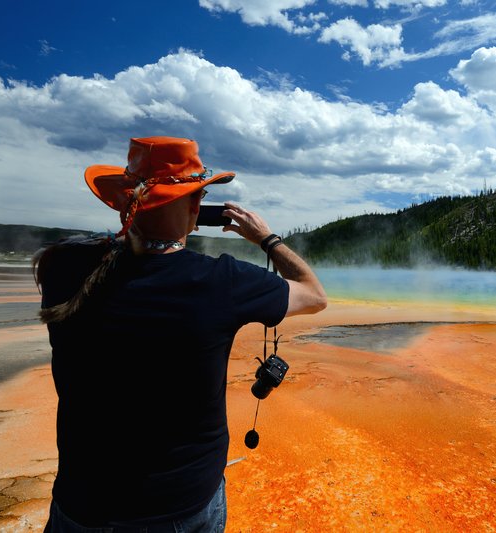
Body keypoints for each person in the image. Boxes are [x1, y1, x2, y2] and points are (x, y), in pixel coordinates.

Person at [35, 136, 327, 532]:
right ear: (194, 205)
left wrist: (152, 227)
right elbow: (313, 294)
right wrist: (266, 239)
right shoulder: (221, 282)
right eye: (198, 195)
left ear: (124, 200)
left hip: (81, 503)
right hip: (180, 506)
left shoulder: (62, 268)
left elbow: (117, 251)